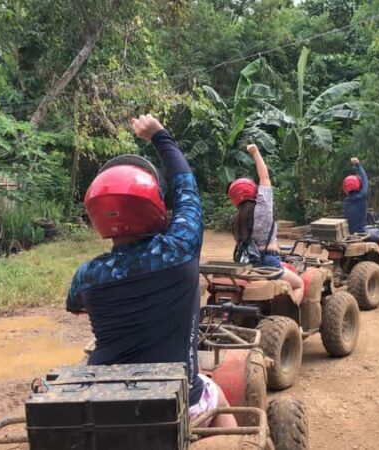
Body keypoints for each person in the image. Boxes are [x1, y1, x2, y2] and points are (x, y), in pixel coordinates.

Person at [66, 114, 236, 428]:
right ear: (154, 206)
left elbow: (76, 305)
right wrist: (160, 136)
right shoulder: (179, 249)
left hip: (106, 404)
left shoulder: (87, 275)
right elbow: (187, 190)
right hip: (175, 399)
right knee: (216, 395)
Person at [228, 144, 304, 304]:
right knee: (299, 284)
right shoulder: (263, 207)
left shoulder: (235, 219)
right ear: (253, 191)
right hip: (269, 262)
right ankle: (295, 325)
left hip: (247, 265)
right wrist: (255, 152)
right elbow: (264, 177)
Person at [342, 157, 379, 264]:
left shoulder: (345, 202)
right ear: (358, 186)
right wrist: (358, 165)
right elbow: (365, 179)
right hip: (360, 233)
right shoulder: (362, 196)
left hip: (348, 234)